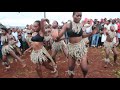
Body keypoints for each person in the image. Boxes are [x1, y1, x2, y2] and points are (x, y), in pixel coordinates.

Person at [55, 12, 98, 78]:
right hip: (71, 48)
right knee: (71, 68)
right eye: (77, 15)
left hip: (81, 47)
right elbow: (59, 36)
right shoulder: (67, 25)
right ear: (73, 16)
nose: (79, 17)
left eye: (80, 16)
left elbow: (83, 35)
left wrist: (91, 33)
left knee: (84, 68)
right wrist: (57, 38)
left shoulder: (81, 25)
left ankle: (85, 75)